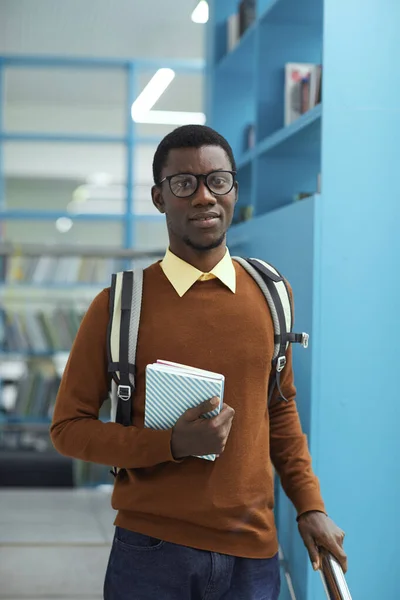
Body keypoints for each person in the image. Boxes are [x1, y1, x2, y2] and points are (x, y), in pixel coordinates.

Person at [50, 125, 347, 600]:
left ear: (233, 188)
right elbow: (68, 428)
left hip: (253, 554)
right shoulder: (119, 306)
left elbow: (279, 410)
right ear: (159, 197)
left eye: (218, 181)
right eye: (184, 184)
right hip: (151, 551)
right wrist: (172, 444)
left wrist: (310, 505)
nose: (205, 197)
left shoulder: (272, 294)